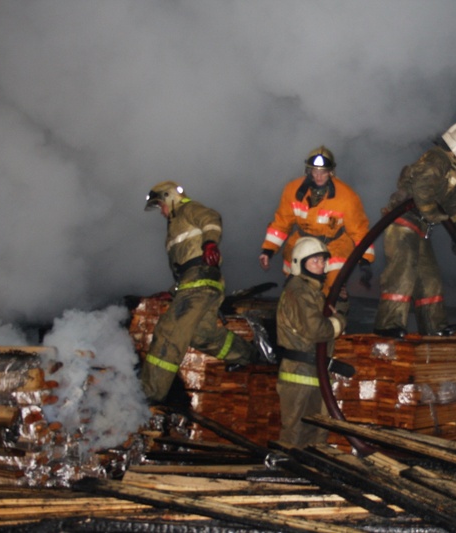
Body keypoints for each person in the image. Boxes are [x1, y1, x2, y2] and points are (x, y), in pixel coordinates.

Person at [141, 180, 257, 404]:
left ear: (169, 197)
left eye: (160, 206)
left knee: (169, 333)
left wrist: (210, 243)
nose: (161, 212)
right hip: (197, 282)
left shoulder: (188, 209)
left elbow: (211, 218)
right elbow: (184, 267)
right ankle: (249, 355)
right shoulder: (175, 227)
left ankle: (149, 395)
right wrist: (172, 292)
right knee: (201, 335)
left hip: (200, 280)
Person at [373, 120, 456, 339]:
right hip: (402, 223)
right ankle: (388, 325)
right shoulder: (435, 160)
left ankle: (434, 326)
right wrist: (435, 215)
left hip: (420, 228)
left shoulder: (452, 172)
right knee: (402, 274)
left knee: (430, 278)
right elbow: (422, 190)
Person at [259, 146, 374, 295]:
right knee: (296, 290)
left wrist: (365, 261)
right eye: (315, 171)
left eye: (323, 172)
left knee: (331, 290)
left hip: (334, 248)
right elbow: (281, 223)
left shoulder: (347, 197)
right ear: (308, 171)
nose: (319, 176)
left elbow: (359, 231)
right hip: (301, 244)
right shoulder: (292, 190)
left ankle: (330, 307)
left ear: (331, 172)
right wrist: (268, 251)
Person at [275, 237, 349, 448]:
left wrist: (341, 304)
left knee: (317, 436)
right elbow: (317, 330)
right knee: (294, 435)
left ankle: (309, 467)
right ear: (299, 263)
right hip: (299, 374)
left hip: (314, 372)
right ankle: (286, 466)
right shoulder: (298, 292)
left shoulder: (313, 292)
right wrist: (339, 321)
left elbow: (326, 320)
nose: (321, 265)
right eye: (314, 260)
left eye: (322, 260)